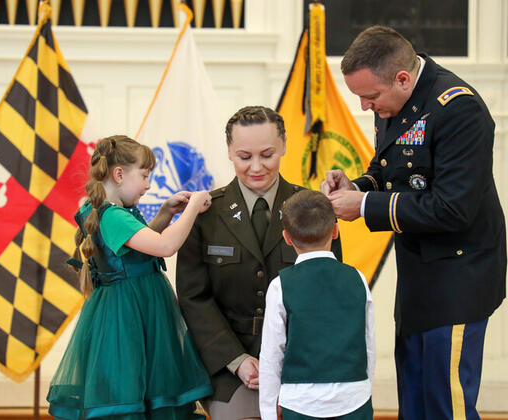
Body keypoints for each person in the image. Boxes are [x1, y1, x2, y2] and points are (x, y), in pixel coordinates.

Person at [322, 26, 506, 419]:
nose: (365, 108)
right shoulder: (394, 101)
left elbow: (453, 209)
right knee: (416, 398)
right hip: (419, 272)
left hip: (459, 275)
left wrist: (367, 205)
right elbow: (389, 169)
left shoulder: (459, 109)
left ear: (402, 79)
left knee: (446, 401)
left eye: (369, 97)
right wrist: (356, 184)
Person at [176, 105, 343, 420]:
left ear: (283, 146)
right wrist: (237, 360)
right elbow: (193, 297)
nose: (256, 167)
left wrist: (288, 359)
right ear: (229, 152)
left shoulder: (313, 210)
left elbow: (328, 293)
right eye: (244, 156)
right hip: (231, 365)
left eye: (267, 154)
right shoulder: (205, 214)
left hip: (302, 361)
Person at [47, 135, 213, 420]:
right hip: (131, 316)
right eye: (145, 176)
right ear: (119, 174)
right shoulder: (113, 216)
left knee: (142, 389)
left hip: (134, 311)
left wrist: (165, 213)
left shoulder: (107, 212)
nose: (149, 184)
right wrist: (194, 206)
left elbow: (138, 243)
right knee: (131, 392)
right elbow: (164, 246)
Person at [259, 190, 375, 420]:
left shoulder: (280, 285)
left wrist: (268, 411)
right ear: (335, 231)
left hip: (300, 400)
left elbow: (272, 354)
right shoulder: (357, 278)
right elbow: (368, 342)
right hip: (354, 396)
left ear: (287, 237)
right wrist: (365, 387)